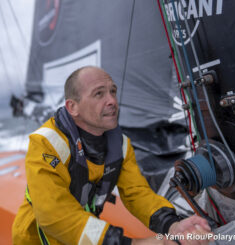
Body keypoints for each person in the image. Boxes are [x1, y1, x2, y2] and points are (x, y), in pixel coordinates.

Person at [12, 66, 213, 245]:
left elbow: (137, 194)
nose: (112, 101)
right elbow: (53, 215)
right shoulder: (45, 143)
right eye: (99, 94)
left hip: (86, 236)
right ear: (73, 107)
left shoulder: (121, 145)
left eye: (113, 92)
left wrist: (172, 225)